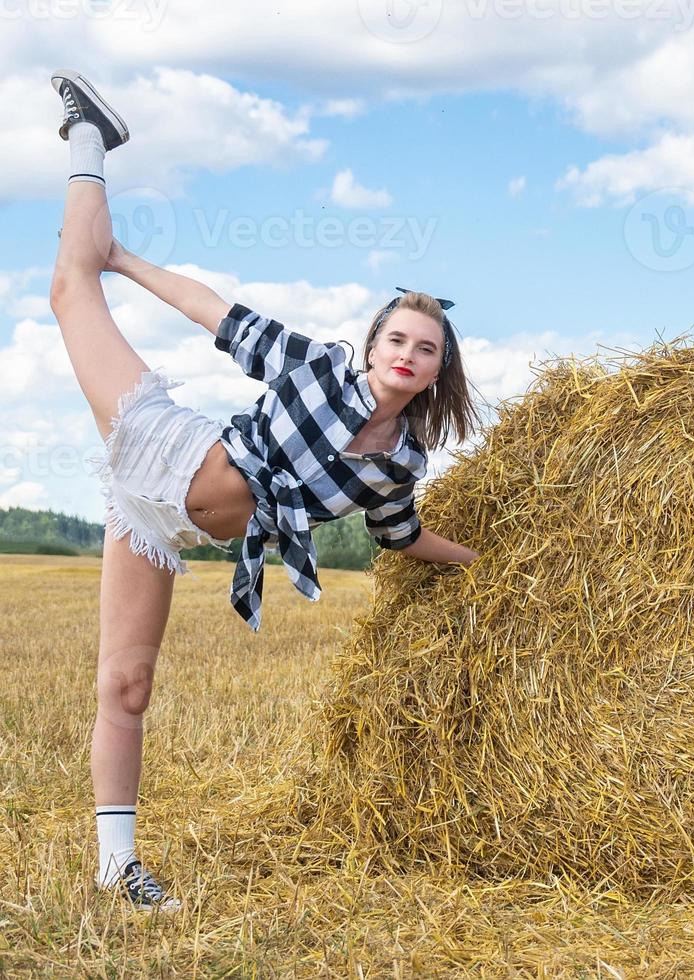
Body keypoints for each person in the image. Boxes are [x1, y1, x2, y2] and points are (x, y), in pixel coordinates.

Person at [47, 71, 481, 910]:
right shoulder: (317, 368)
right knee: (75, 287)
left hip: (158, 524)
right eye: (396, 336)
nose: (407, 353)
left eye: (425, 349)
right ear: (372, 343)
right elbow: (218, 313)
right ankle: (87, 138)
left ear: (437, 371)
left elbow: (403, 537)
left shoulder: (398, 464)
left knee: (126, 687)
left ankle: (116, 865)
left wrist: (485, 560)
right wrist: (126, 260)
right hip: (167, 450)